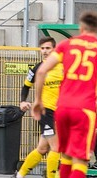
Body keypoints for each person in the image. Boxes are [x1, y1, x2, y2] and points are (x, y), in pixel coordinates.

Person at [30, 11, 97, 178]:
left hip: (62, 108)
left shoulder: (65, 45)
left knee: (66, 155)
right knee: (80, 160)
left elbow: (41, 71)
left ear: (81, 28)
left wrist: (38, 100)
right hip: (84, 110)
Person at [16, 37, 63, 178]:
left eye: (48, 48)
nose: (45, 51)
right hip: (45, 111)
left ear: (54, 49)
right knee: (56, 147)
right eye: (42, 48)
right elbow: (26, 86)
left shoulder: (63, 66)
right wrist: (22, 101)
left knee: (42, 148)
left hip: (61, 111)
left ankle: (19, 175)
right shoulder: (37, 68)